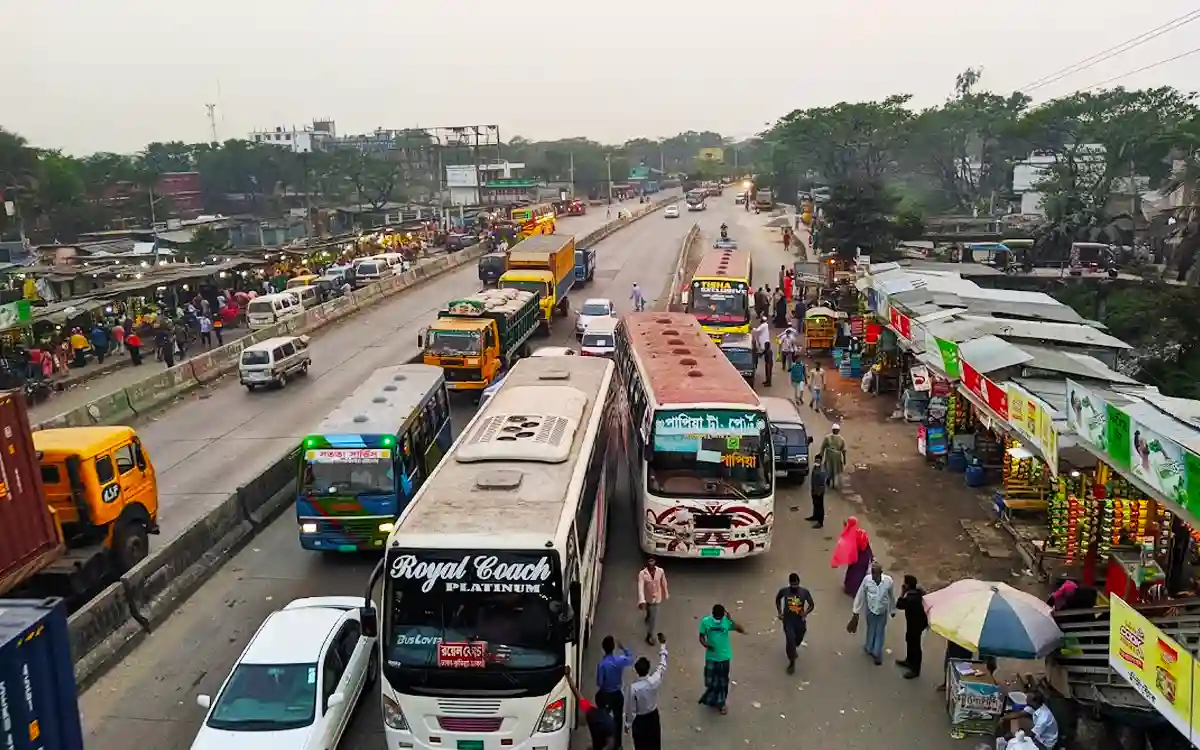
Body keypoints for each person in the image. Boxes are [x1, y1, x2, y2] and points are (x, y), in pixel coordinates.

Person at [697, 603, 745, 714]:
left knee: (723, 682)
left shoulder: (726, 621)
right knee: (710, 681)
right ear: (712, 614)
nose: (718, 619)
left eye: (720, 617)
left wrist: (731, 620)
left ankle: (722, 703)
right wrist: (706, 645)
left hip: (724, 657)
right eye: (716, 617)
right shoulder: (705, 622)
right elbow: (701, 637)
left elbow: (741, 630)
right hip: (711, 657)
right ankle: (711, 697)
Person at [624, 633, 668, 750]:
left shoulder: (633, 688)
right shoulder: (654, 680)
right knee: (654, 743)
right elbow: (662, 665)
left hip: (640, 720)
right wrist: (663, 645)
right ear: (648, 669)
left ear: (636, 671)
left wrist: (628, 724)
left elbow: (630, 708)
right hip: (653, 716)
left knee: (641, 745)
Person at [848, 561, 896, 666]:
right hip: (870, 609)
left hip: (882, 610)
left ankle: (877, 653)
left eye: (876, 573)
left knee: (880, 631)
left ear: (881, 573)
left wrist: (893, 610)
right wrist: (856, 611)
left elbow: (891, 596)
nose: (874, 576)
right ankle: (869, 647)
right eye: (873, 573)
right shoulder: (867, 580)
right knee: (871, 628)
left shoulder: (888, 581)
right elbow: (860, 595)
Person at [565, 666, 616, 750]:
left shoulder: (590, 712)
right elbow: (610, 744)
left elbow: (576, 693)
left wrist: (568, 676)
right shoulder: (609, 722)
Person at [595, 636, 632, 748]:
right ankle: (618, 745)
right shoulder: (619, 660)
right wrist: (624, 648)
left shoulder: (602, 665)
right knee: (618, 719)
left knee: (604, 719)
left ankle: (604, 742)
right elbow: (630, 658)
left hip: (606, 695)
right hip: (617, 694)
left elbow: (599, 683)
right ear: (613, 648)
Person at [774, 573, 815, 674]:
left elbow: (811, 605)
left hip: (799, 620)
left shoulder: (804, 592)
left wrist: (805, 613)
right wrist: (779, 612)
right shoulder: (784, 591)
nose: (794, 587)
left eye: (796, 585)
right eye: (792, 585)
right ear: (789, 583)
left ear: (799, 583)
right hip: (788, 620)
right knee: (790, 639)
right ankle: (792, 662)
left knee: (799, 637)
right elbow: (777, 599)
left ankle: (793, 647)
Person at [895, 574, 928, 679]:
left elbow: (899, 605)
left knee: (915, 645)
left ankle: (915, 669)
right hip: (916, 623)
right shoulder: (917, 593)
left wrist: (902, 592)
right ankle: (909, 660)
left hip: (915, 624)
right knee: (909, 640)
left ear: (908, 585)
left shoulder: (911, 598)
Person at [831, 516, 873, 595]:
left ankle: (850, 589)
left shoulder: (849, 534)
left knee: (853, 572)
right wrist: (871, 556)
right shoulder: (861, 533)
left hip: (855, 557)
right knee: (859, 573)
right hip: (863, 556)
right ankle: (858, 590)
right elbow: (866, 545)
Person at [637, 557, 669, 646]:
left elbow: (664, 581)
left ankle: (649, 635)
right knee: (649, 609)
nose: (651, 562)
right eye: (649, 561)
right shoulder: (642, 574)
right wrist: (641, 600)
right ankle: (648, 618)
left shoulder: (660, 571)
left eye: (652, 560)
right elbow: (640, 587)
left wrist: (666, 592)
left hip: (657, 598)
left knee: (653, 619)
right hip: (648, 597)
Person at [819, 424, 847, 489]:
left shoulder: (841, 439)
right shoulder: (827, 438)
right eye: (834, 430)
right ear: (832, 430)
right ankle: (829, 479)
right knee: (829, 469)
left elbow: (843, 450)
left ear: (838, 431)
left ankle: (833, 482)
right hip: (829, 456)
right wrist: (821, 455)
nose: (835, 431)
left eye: (836, 430)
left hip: (837, 457)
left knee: (835, 470)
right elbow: (823, 447)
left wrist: (844, 459)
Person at [806, 456, 827, 528]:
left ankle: (820, 522)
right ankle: (815, 516)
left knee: (820, 506)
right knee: (815, 504)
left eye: (818, 461)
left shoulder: (822, 470)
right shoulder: (815, 467)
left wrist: (819, 492)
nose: (816, 462)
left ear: (821, 461)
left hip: (819, 491)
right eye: (816, 460)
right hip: (814, 490)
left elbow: (822, 483)